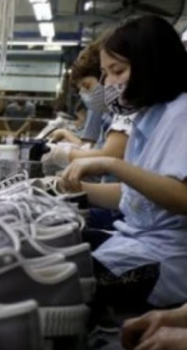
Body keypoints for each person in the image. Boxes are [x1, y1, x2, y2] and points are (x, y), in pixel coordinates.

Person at [58, 16, 187, 318]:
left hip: (165, 259)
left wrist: (112, 163)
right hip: (136, 241)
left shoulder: (181, 115)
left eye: (118, 71)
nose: (108, 84)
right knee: (48, 245)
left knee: (61, 286)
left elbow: (182, 197)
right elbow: (137, 196)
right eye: (105, 74)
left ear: (152, 65)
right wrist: (72, 189)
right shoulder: (148, 116)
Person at [45, 37, 133, 171]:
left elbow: (109, 155)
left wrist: (60, 153)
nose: (108, 81)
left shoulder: (127, 112)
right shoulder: (112, 114)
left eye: (118, 71)